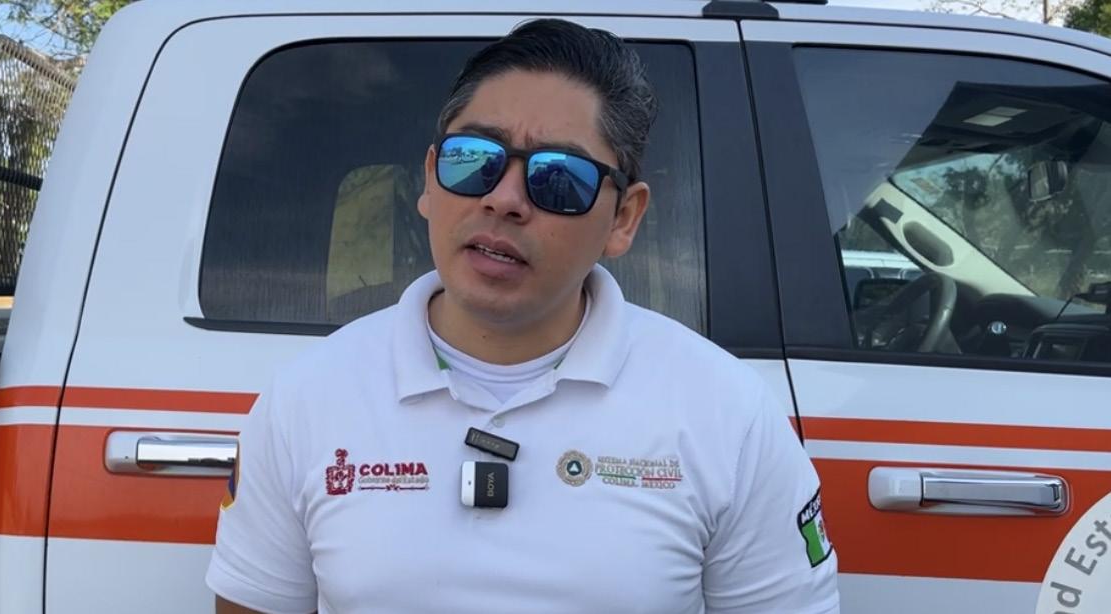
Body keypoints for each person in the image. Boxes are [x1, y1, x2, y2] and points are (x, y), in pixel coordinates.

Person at [206, 18, 840, 614]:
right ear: (429, 179)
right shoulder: (308, 398)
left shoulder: (726, 412)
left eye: (558, 177)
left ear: (623, 219)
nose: (504, 199)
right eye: (472, 158)